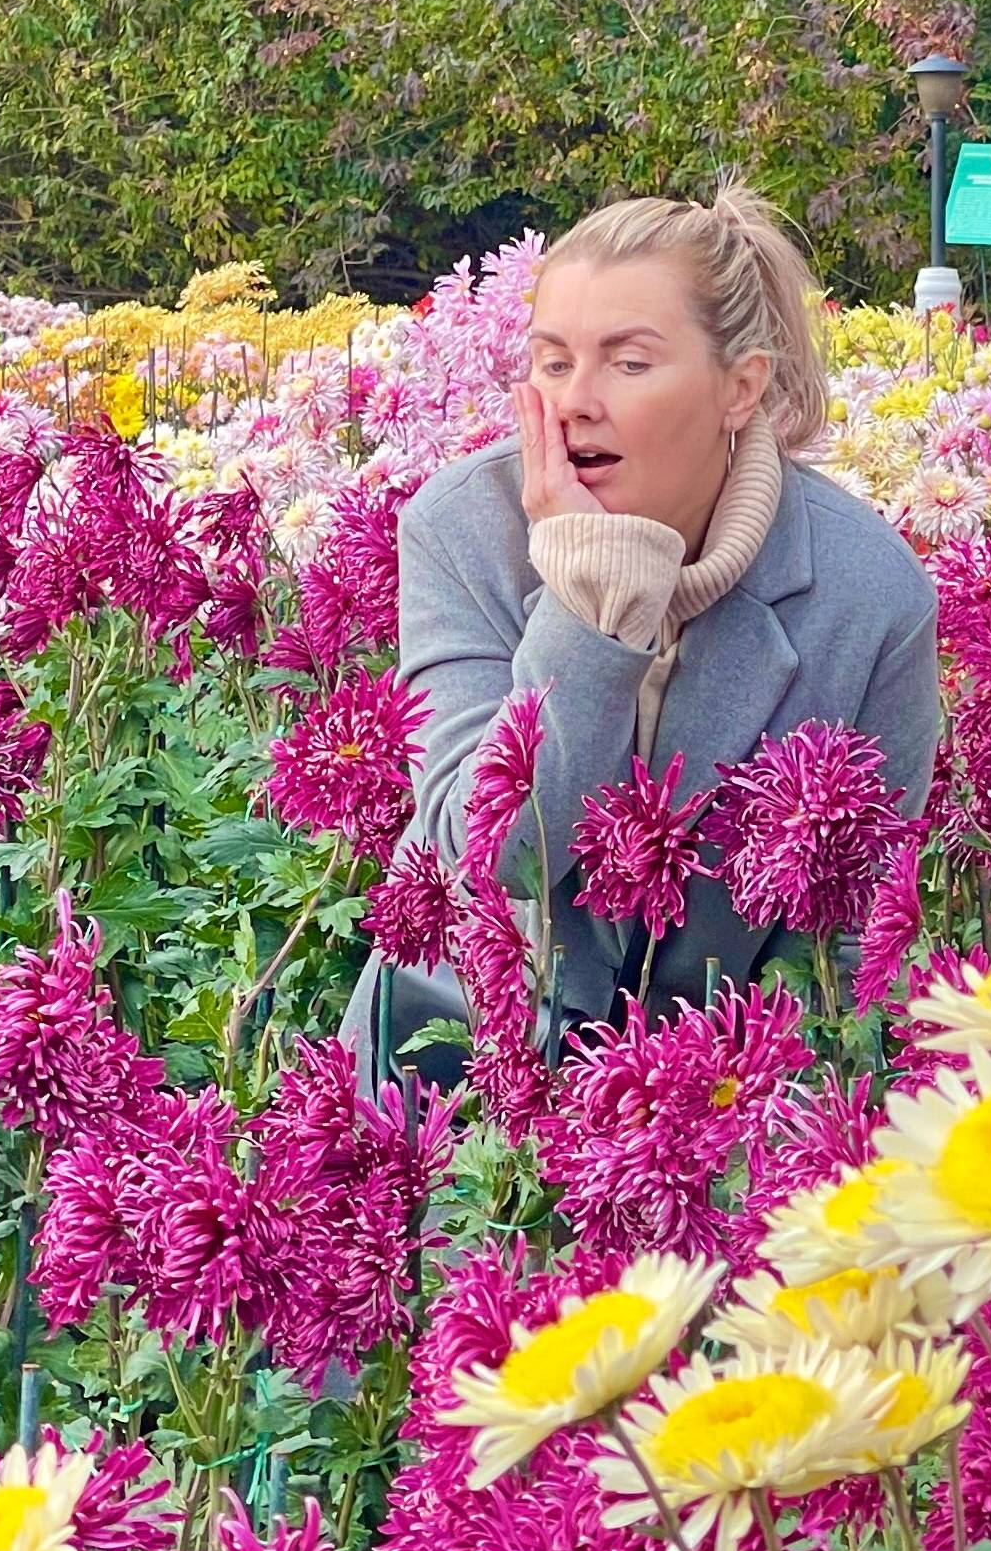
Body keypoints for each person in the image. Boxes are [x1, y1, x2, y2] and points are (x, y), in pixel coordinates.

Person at [348, 183, 942, 1091]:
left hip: (711, 1104)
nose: (577, 401)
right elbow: (489, 850)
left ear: (739, 387)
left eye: (628, 363)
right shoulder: (461, 528)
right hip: (443, 1073)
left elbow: (855, 932)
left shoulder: (872, 596)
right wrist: (590, 600)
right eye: (552, 363)